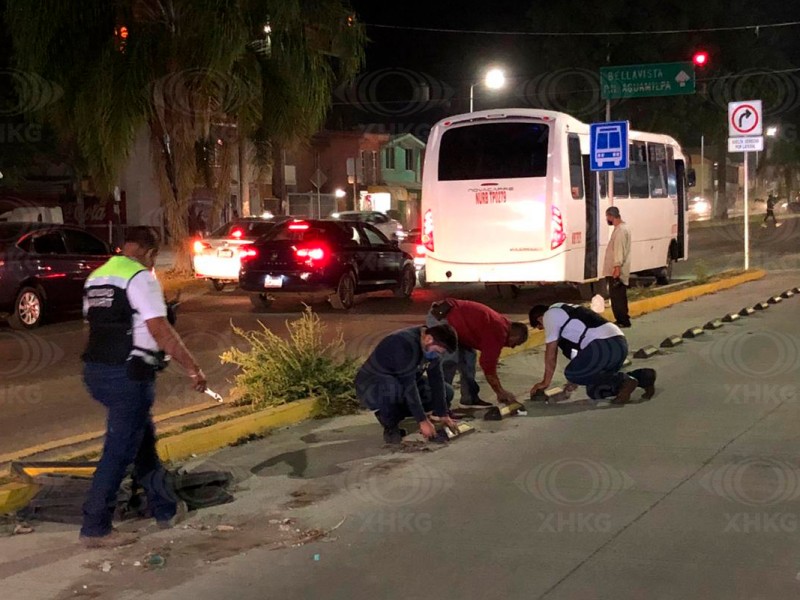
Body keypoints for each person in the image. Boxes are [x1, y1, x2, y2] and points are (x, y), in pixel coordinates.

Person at [79, 227, 207, 548]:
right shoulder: (141, 278)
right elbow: (159, 329)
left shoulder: (97, 276)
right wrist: (193, 367)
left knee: (142, 439)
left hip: (96, 371)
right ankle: (95, 527)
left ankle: (163, 509)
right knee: (120, 449)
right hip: (128, 374)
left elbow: (93, 324)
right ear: (150, 253)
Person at [528, 303, 656, 404]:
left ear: (540, 318)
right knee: (595, 391)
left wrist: (545, 382)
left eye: (541, 326)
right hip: (618, 346)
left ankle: (624, 380)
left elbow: (551, 353)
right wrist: (577, 380)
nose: (544, 329)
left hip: (603, 346)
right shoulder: (568, 315)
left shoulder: (551, 314)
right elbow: (579, 358)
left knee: (571, 373)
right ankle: (642, 377)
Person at [355, 324, 460, 444]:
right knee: (393, 389)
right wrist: (422, 420)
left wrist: (443, 414)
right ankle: (390, 426)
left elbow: (436, 380)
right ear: (428, 339)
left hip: (401, 380)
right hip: (371, 386)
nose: (437, 356)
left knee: (448, 392)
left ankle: (394, 411)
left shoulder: (431, 345)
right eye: (437, 351)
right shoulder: (402, 343)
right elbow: (409, 385)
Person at [427, 299, 528, 407]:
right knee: (450, 360)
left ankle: (469, 397)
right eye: (515, 343)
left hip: (458, 323)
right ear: (515, 336)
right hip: (442, 318)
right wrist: (500, 392)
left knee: (469, 358)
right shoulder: (498, 333)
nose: (512, 347)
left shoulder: (503, 325)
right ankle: (441, 403)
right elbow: (489, 367)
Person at [602, 206, 632, 328]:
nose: (607, 219)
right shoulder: (624, 228)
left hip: (617, 270)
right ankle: (623, 318)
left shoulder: (620, 231)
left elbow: (619, 250)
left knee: (617, 297)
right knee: (620, 296)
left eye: (607, 217)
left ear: (611, 216)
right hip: (620, 269)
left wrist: (617, 267)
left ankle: (622, 320)